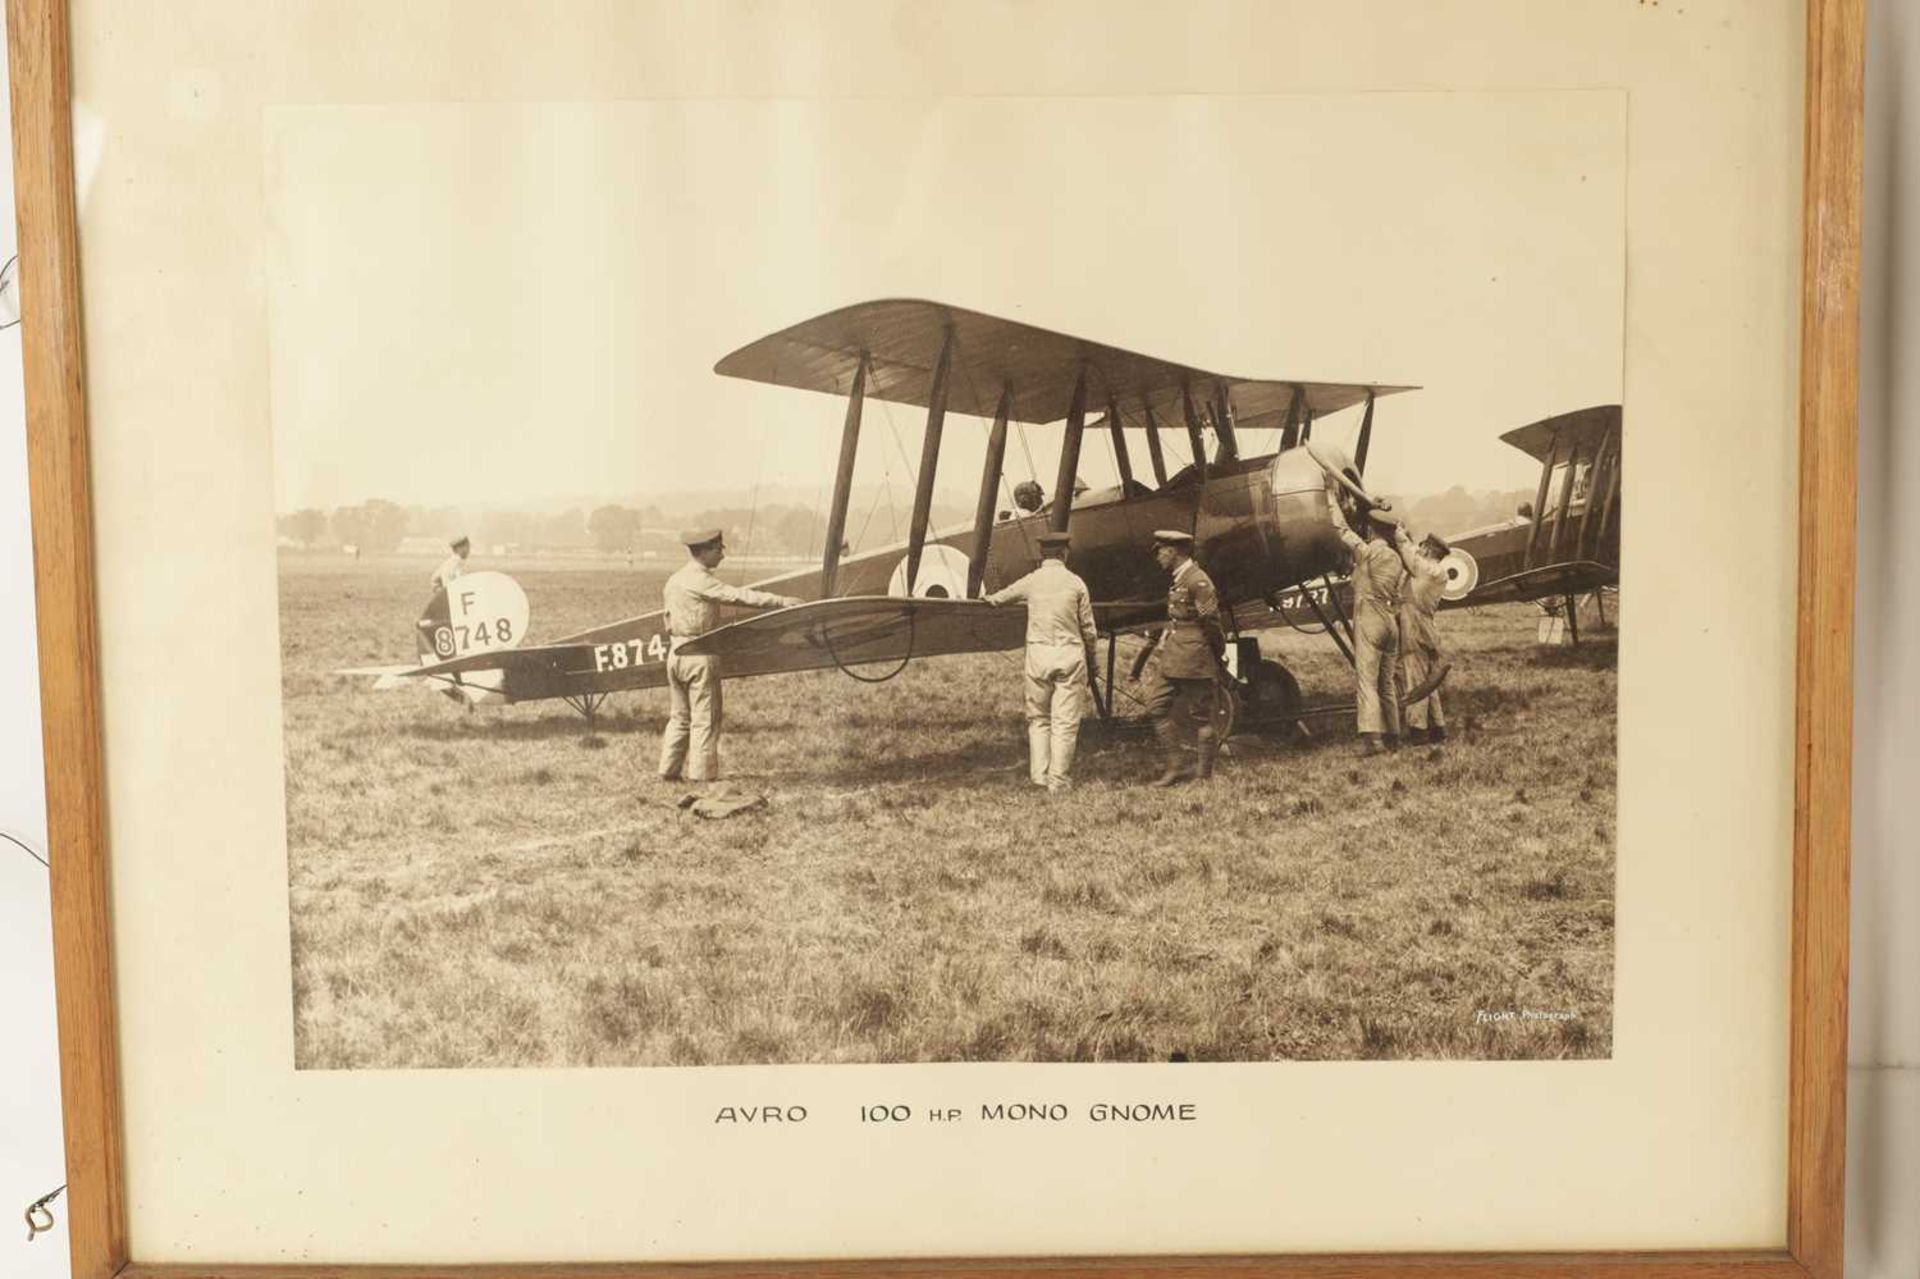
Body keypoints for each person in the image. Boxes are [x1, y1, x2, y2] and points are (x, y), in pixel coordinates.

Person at [658, 528, 802, 784]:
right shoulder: (701, 580)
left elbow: (668, 619)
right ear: (703, 551)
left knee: (679, 716)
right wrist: (781, 602)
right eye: (718, 549)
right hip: (699, 652)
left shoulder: (674, 580)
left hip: (675, 652)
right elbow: (739, 596)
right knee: (706, 716)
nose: (722, 555)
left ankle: (669, 770)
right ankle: (702, 776)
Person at [985, 530, 1099, 792]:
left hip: (1038, 655)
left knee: (1038, 718)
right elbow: (1089, 630)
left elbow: (999, 598)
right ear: (1065, 553)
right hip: (1070, 654)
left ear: (1041, 554)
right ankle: (1058, 780)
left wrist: (989, 599)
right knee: (1065, 721)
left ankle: (1039, 776)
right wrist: (1093, 664)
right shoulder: (1076, 583)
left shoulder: (1031, 581)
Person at [1139, 529, 1226, 787]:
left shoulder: (1198, 581)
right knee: (1156, 707)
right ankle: (1177, 766)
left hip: (1194, 657)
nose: (1157, 557)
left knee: (1202, 717)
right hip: (1176, 656)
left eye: (1160, 551)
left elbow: (1211, 622)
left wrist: (1216, 653)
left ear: (1173, 551)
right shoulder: (1180, 578)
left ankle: (1203, 776)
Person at [1327, 477, 1405, 754]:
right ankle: (1394, 736)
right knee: (1386, 683)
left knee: (1366, 681)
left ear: (1372, 531)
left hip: (1370, 617)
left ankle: (1372, 740)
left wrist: (1328, 496)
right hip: (1390, 621)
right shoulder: (1397, 559)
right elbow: (1399, 596)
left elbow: (1341, 529)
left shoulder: (1368, 552)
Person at [1394, 530, 1451, 744]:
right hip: (1427, 626)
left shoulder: (1423, 568)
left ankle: (1417, 731)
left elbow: (1403, 544)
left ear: (1427, 549)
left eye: (1422, 547)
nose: (1418, 549)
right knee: (1429, 682)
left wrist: (1397, 527)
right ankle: (1438, 727)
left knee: (1414, 678)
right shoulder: (1440, 573)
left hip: (1414, 625)